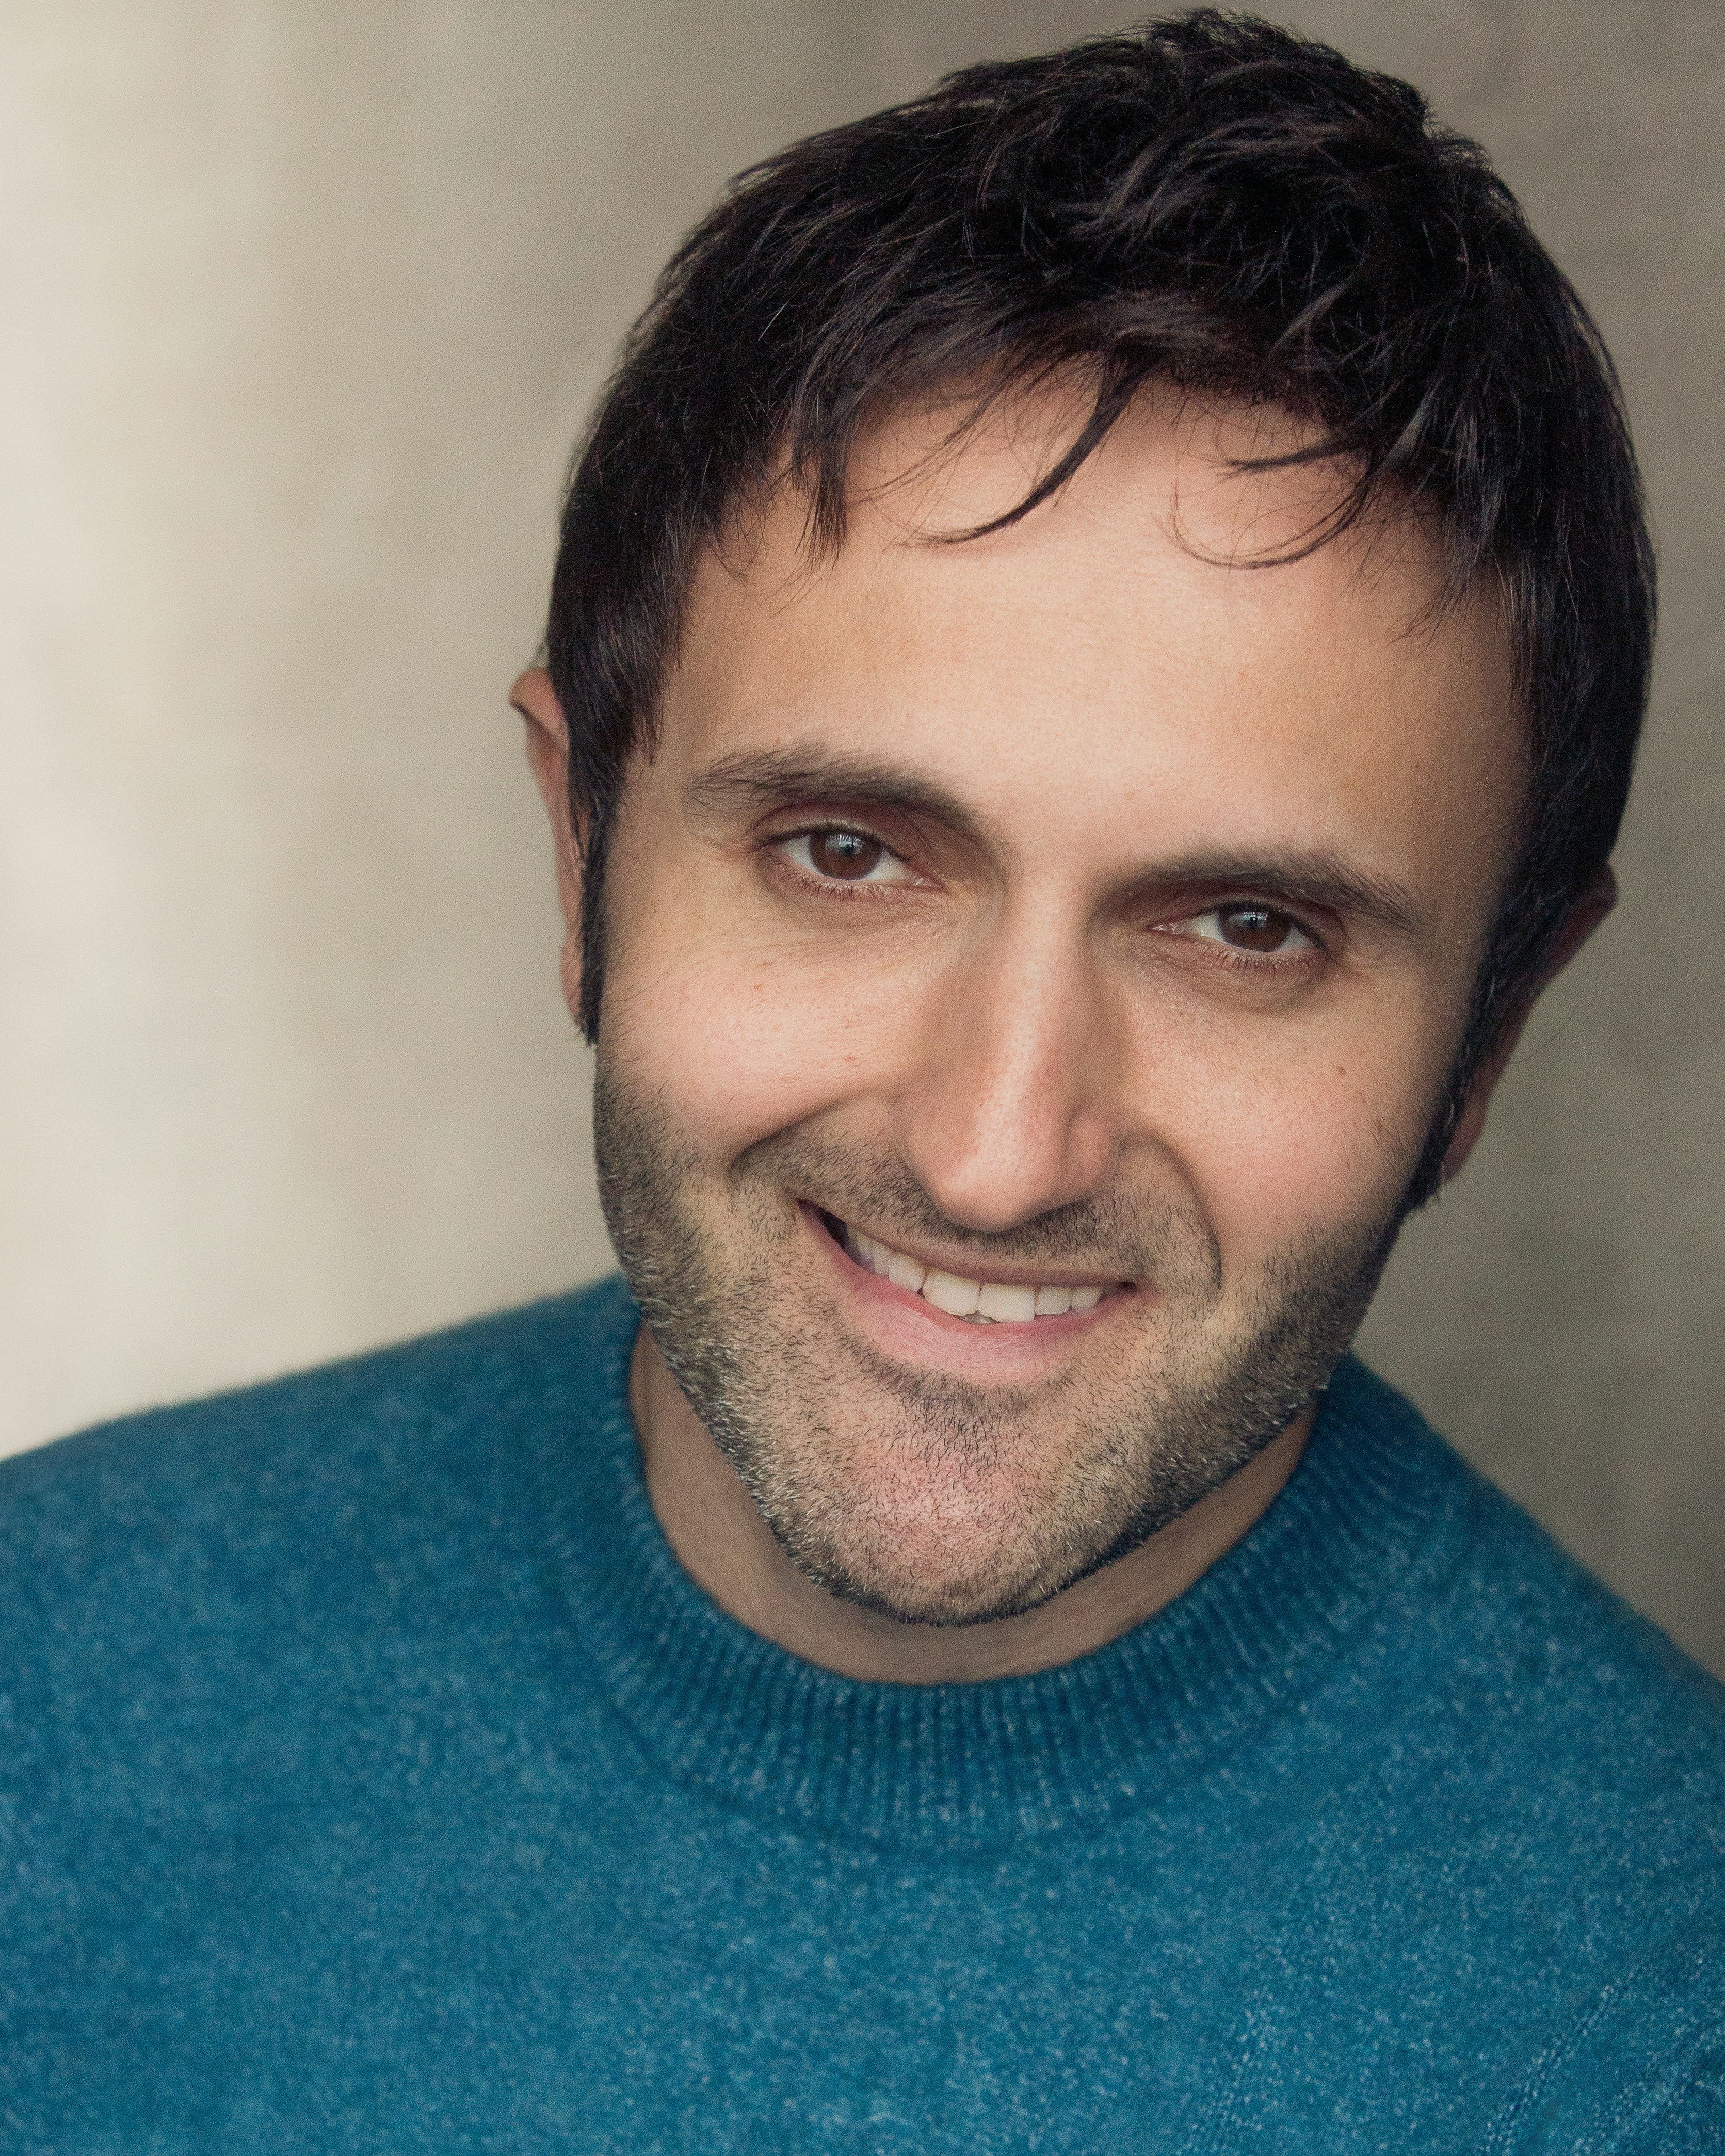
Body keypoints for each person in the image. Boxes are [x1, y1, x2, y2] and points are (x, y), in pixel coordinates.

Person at [4, 10, 1721, 2148]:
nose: (993, 1153)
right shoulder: (46, 1685)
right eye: (845, 855)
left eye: (1244, 928)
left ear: (1492, 1032)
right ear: (581, 850)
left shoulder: (1661, 2022)